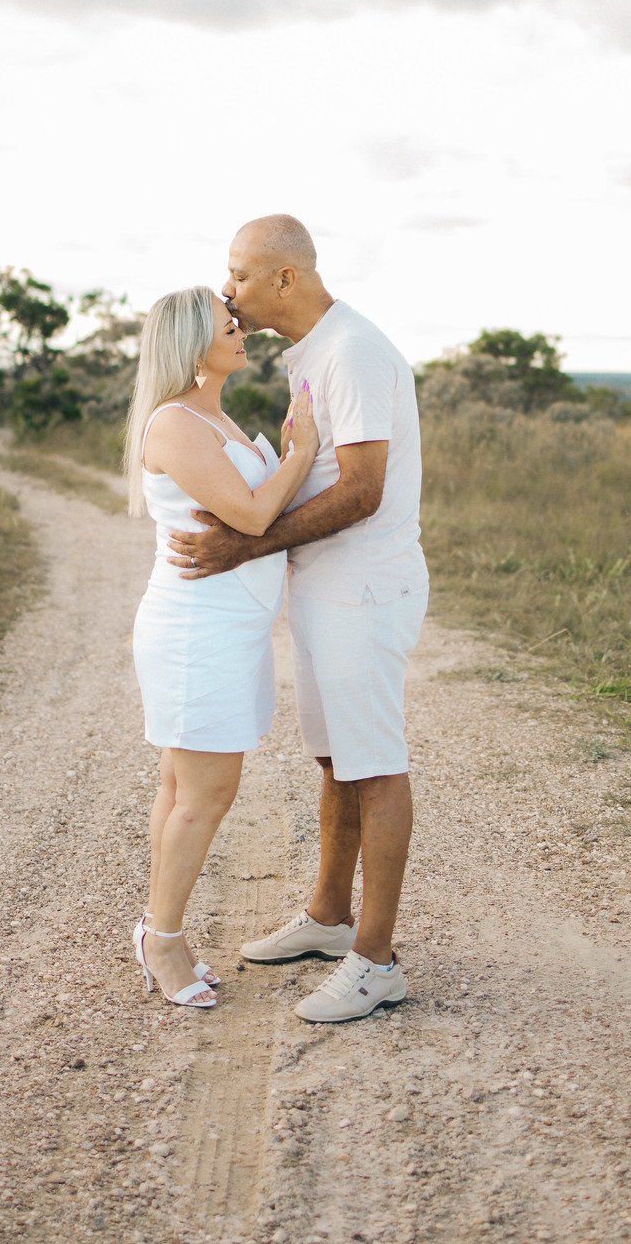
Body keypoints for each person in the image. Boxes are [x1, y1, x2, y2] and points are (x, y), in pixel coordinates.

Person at [168, 216, 429, 1023]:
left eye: (240, 274)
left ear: (285, 279)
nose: (228, 291)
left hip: (365, 588)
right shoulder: (311, 353)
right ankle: (329, 916)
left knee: (374, 765)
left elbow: (363, 491)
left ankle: (375, 962)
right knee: (336, 759)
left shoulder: (351, 351)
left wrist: (244, 547)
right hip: (325, 585)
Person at [126, 285, 318, 1008]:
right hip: (194, 631)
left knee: (182, 790)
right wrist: (301, 453)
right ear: (189, 344)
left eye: (235, 319)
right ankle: (163, 940)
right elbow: (254, 514)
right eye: (225, 323)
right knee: (205, 795)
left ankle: (159, 928)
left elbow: (249, 515)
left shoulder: (212, 416)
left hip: (226, 627)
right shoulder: (176, 424)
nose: (241, 328)